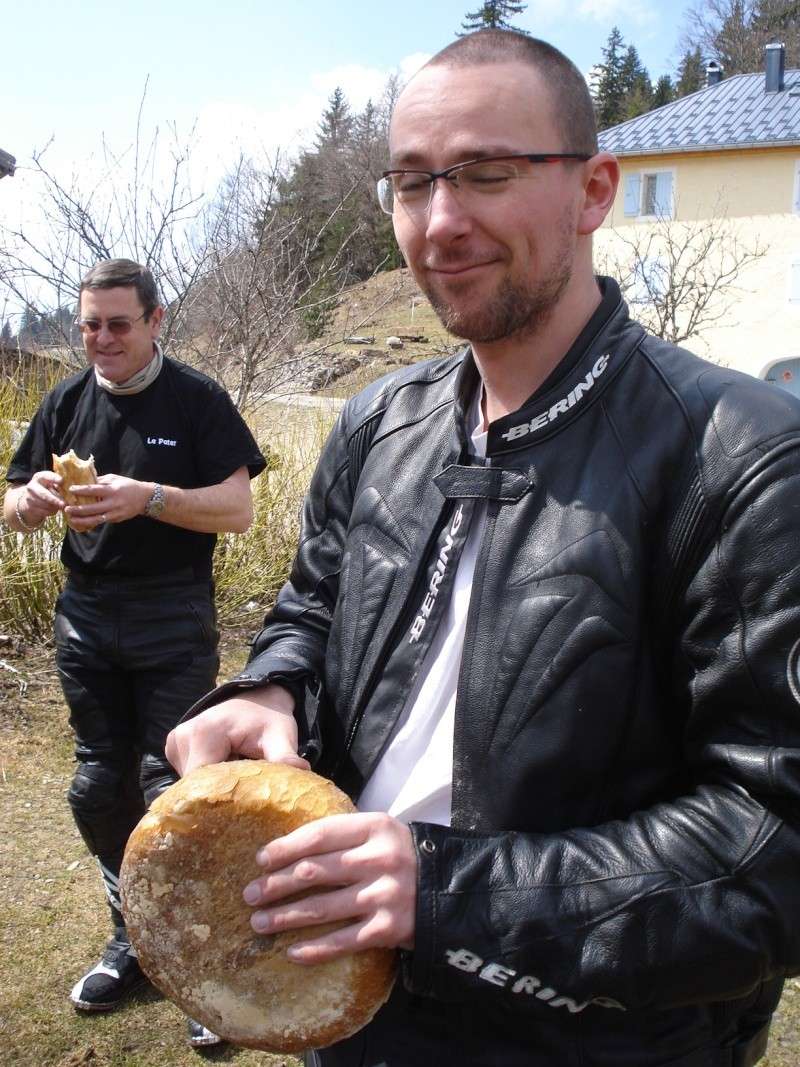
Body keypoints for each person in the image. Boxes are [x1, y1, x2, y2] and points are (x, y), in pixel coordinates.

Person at [165, 30, 800, 1067]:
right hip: (353, 1006)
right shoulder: (378, 424)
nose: (441, 222)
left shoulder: (740, 457)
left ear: (592, 190)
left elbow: (775, 842)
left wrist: (447, 891)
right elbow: (314, 610)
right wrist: (269, 689)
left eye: (487, 175)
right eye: (411, 183)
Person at [3, 258, 266, 1050]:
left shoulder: (196, 399)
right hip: (85, 615)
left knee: (168, 784)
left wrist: (146, 496)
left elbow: (239, 509)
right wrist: (31, 502)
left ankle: (195, 956)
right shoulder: (66, 400)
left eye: (119, 323)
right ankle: (137, 940)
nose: (102, 339)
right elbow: (12, 500)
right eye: (89, 324)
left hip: (171, 615)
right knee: (95, 786)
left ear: (155, 321)